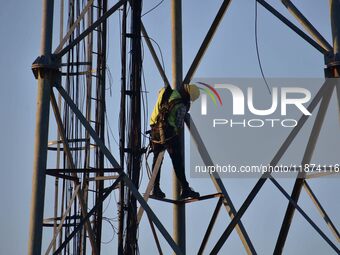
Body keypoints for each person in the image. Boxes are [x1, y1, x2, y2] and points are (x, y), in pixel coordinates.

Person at [149, 84, 200, 199]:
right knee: (177, 161)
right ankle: (185, 189)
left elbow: (159, 94)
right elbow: (178, 124)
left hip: (154, 130)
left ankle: (155, 188)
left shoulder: (165, 92)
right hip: (168, 133)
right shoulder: (181, 105)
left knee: (157, 160)